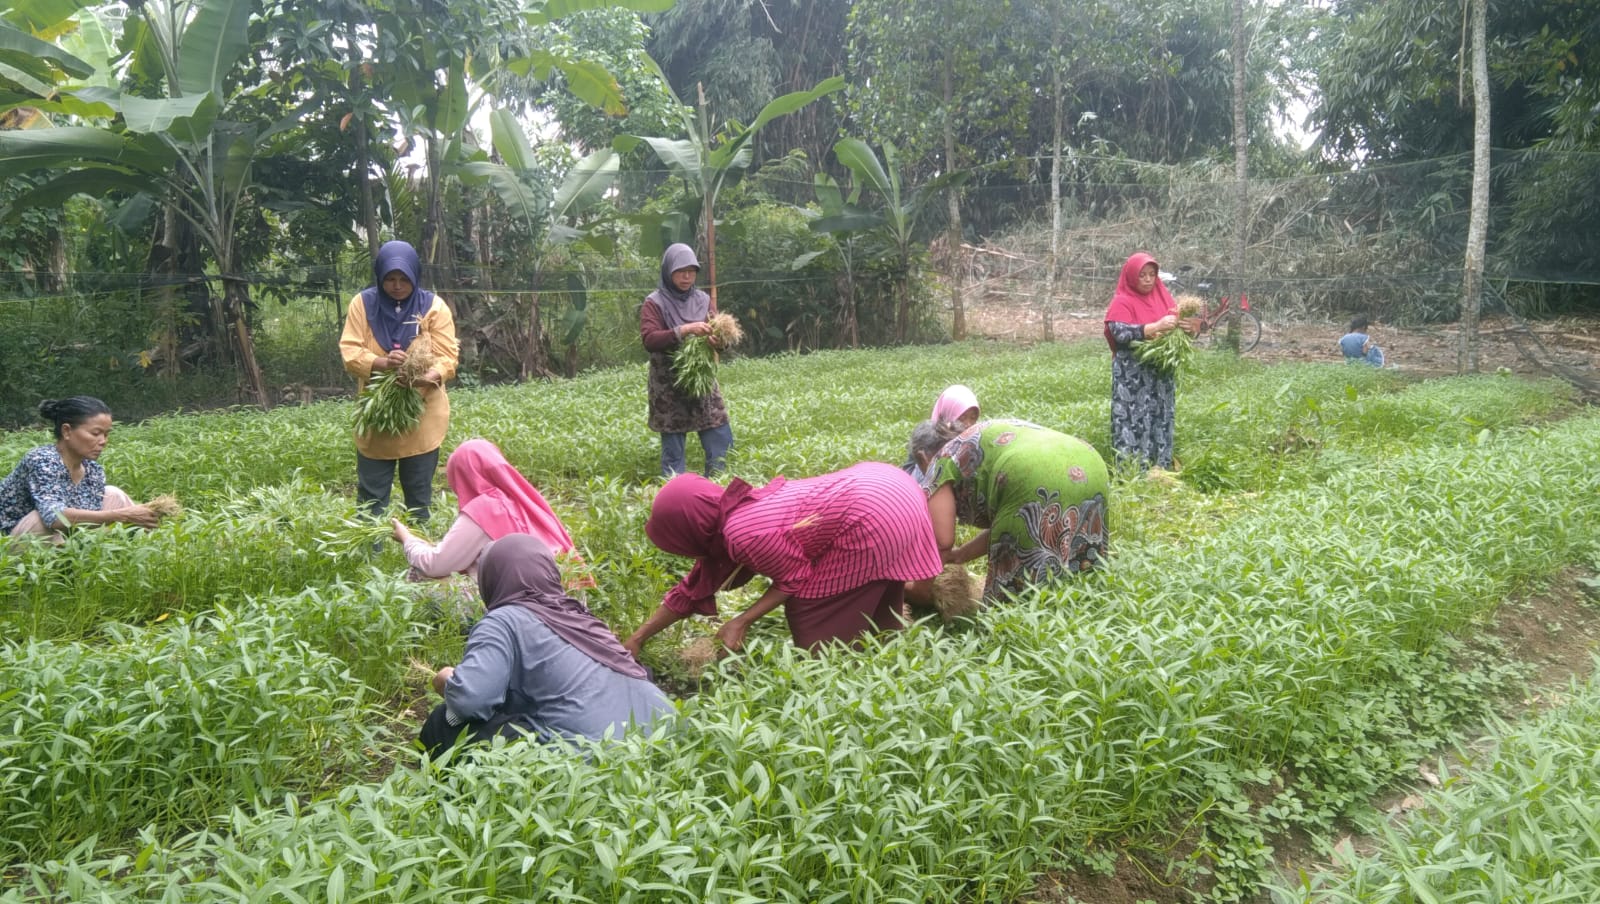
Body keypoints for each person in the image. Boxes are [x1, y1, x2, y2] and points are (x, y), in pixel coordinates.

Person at [623, 462, 944, 657]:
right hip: (894, 488)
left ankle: (835, 680)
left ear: (689, 528)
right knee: (875, 590)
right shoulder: (732, 512)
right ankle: (884, 656)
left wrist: (741, 621)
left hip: (874, 513)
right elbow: (690, 591)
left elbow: (794, 579)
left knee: (810, 611)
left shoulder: (742, 533)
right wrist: (637, 638)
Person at [418, 534, 672, 758]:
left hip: (595, 761)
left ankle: (434, 793)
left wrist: (447, 680)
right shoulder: (580, 615)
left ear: (491, 579)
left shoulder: (502, 620)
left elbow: (471, 701)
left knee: (445, 722)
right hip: (668, 741)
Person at [907, 417, 1110, 602]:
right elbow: (1008, 525)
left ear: (923, 457)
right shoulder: (977, 438)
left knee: (1015, 603)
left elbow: (941, 542)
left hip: (1034, 474)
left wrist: (918, 590)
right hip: (1090, 463)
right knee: (1081, 580)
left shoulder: (940, 461)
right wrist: (959, 555)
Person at [340, 240, 460, 522]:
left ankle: (421, 558)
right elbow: (350, 351)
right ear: (379, 277)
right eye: (389, 279)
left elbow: (447, 358)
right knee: (371, 497)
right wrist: (380, 363)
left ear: (415, 276)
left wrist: (422, 378)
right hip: (378, 418)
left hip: (422, 417)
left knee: (418, 496)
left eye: (403, 279)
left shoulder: (433, 308)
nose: (396, 285)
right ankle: (370, 553)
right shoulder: (363, 304)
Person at [391, 439, 594, 589]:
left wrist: (408, 539)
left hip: (526, 605)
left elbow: (434, 565)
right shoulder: (524, 497)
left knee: (420, 575)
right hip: (566, 593)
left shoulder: (484, 508)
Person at [1, 396, 159, 539]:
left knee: (114, 495)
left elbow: (88, 518)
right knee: (40, 520)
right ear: (67, 431)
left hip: (66, 535)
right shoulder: (42, 460)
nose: (103, 441)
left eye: (106, 434)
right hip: (12, 538)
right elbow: (55, 517)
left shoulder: (93, 470)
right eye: (96, 433)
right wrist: (121, 516)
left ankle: (147, 541)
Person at [640, 243, 734, 478]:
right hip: (669, 385)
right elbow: (650, 339)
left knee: (719, 435)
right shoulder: (654, 303)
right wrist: (684, 330)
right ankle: (677, 496)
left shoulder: (703, 300)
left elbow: (723, 338)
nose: (686, 276)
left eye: (691, 271)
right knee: (673, 448)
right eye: (681, 271)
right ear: (668, 271)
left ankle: (718, 488)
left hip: (701, 380)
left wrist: (718, 342)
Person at [1102, 252, 1197, 469]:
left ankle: (1159, 469)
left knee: (1160, 418)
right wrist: (1153, 327)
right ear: (1131, 277)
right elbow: (1119, 333)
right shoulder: (1122, 301)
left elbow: (1183, 330)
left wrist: (1189, 328)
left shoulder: (1164, 299)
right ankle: (1131, 471)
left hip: (1160, 375)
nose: (1147, 279)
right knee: (1133, 420)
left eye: (1151, 274)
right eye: (1142, 275)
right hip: (1133, 376)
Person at [904, 385, 981, 482]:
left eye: (973, 418)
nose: (968, 424)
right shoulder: (927, 441)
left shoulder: (976, 441)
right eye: (962, 418)